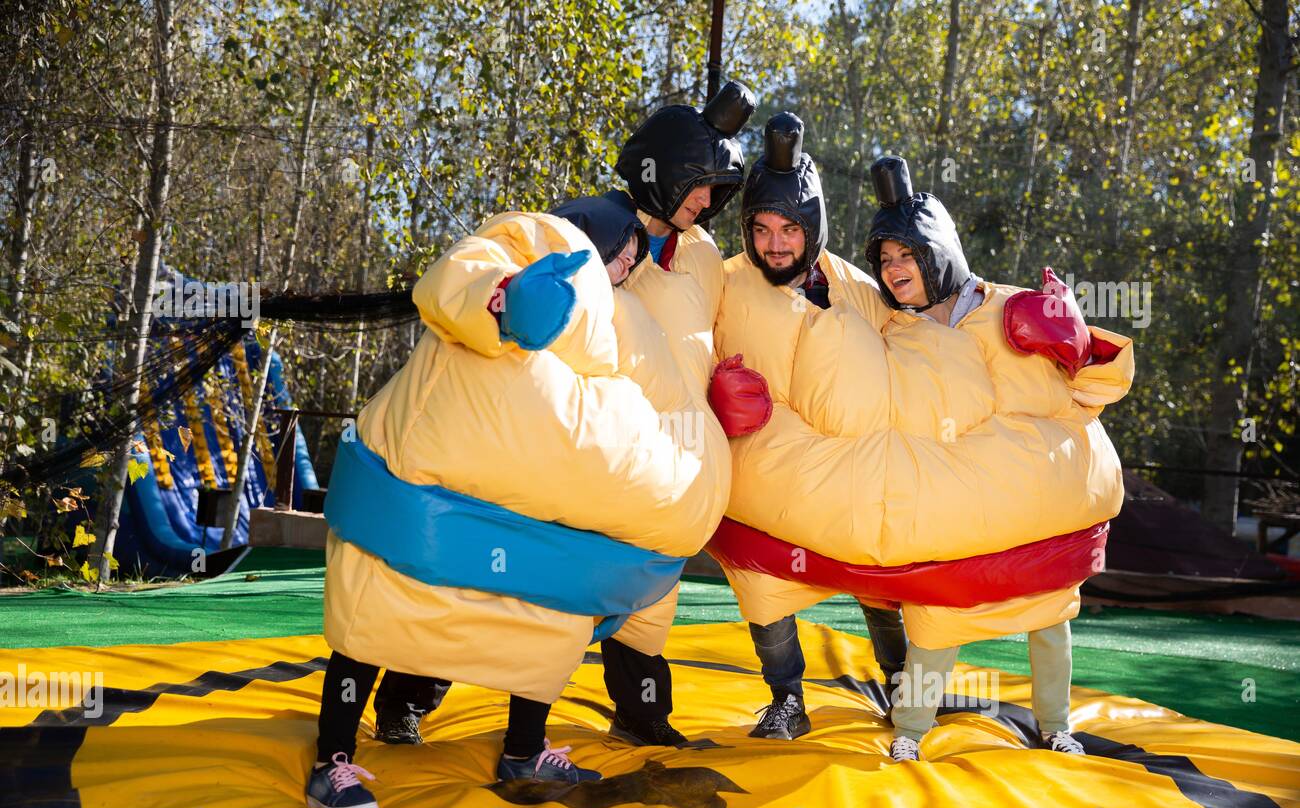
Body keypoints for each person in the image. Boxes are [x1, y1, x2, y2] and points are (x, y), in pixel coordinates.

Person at [707, 143, 1134, 760]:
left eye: (908, 254)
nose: (896, 268)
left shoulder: (985, 306)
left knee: (1034, 614)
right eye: (886, 258)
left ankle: (1044, 721)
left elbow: (1096, 385)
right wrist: (712, 395)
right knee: (910, 607)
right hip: (897, 490)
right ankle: (871, 718)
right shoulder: (879, 318)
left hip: (1020, 495)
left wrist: (1081, 348)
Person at [308, 194, 730, 808]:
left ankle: (524, 750)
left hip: (532, 503)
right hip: (429, 476)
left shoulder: (622, 321)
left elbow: (647, 402)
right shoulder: (536, 246)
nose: (625, 272)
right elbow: (455, 277)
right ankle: (332, 761)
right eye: (622, 258)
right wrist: (503, 299)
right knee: (378, 613)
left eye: (633, 263)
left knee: (548, 619)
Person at [371, 81, 756, 750]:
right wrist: (497, 300)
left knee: (645, 592)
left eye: (717, 191)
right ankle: (408, 694)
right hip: (572, 438)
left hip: (655, 460)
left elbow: (732, 319)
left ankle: (639, 711)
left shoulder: (702, 262)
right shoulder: (596, 223)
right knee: (491, 577)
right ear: (665, 174)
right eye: (701, 185)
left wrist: (725, 386)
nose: (708, 201)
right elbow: (514, 266)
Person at [706, 112, 909, 740]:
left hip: (850, 471)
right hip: (762, 475)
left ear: (813, 224)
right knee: (764, 590)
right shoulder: (724, 284)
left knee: (879, 581)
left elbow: (919, 352)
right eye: (760, 229)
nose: (774, 244)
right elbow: (683, 351)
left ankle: (903, 688)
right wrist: (712, 394)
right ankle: (787, 699)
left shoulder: (856, 287)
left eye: (789, 228)